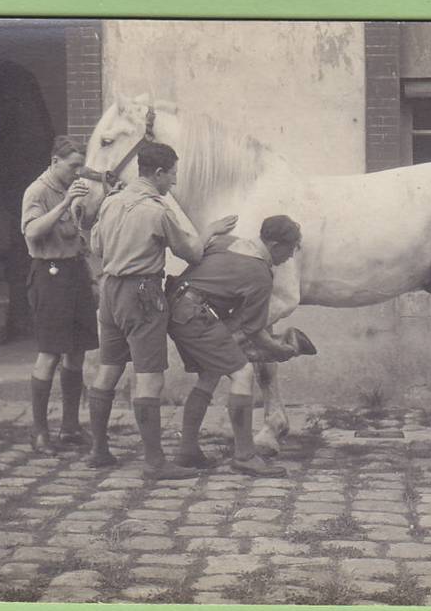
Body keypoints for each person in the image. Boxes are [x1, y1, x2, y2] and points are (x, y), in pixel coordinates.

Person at [86, 141, 236, 480]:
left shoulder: (111, 202)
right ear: (157, 173)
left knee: (108, 368)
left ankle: (98, 451)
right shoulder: (159, 210)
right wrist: (211, 229)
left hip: (109, 291)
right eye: (172, 175)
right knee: (149, 377)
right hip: (142, 293)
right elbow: (193, 253)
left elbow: (95, 245)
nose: (174, 182)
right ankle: (154, 463)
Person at [167, 215, 304, 478]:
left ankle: (188, 451)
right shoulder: (260, 274)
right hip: (195, 315)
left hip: (179, 308)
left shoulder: (228, 242)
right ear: (275, 245)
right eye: (290, 249)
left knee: (210, 374)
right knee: (243, 373)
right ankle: (244, 456)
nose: (290, 257)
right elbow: (254, 332)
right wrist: (280, 350)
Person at [21, 136, 102, 455]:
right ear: (55, 162)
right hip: (49, 275)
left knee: (77, 351)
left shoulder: (75, 186)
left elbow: (81, 231)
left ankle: (70, 427)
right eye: (72, 166)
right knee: (50, 353)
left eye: (81, 165)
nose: (77, 172)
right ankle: (39, 432)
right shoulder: (37, 191)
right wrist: (66, 203)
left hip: (74, 273)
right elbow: (32, 232)